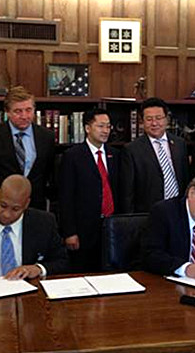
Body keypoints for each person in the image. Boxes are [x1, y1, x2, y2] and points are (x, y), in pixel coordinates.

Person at [0, 86, 54, 210]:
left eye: (28, 110)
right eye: (18, 111)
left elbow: (47, 172)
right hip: (0, 206)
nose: (24, 116)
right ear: (7, 112)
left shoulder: (46, 136)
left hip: (34, 205)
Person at [59, 108, 119, 272]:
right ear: (87, 128)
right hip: (83, 229)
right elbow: (66, 196)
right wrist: (69, 232)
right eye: (100, 126)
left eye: (108, 126)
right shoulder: (72, 156)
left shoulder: (115, 155)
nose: (105, 130)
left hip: (111, 226)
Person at [120, 97, 189, 213]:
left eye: (159, 118)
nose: (154, 123)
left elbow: (185, 178)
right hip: (148, 212)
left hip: (178, 209)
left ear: (166, 119)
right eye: (149, 119)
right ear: (142, 122)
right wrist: (130, 218)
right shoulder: (131, 150)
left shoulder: (180, 144)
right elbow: (127, 192)